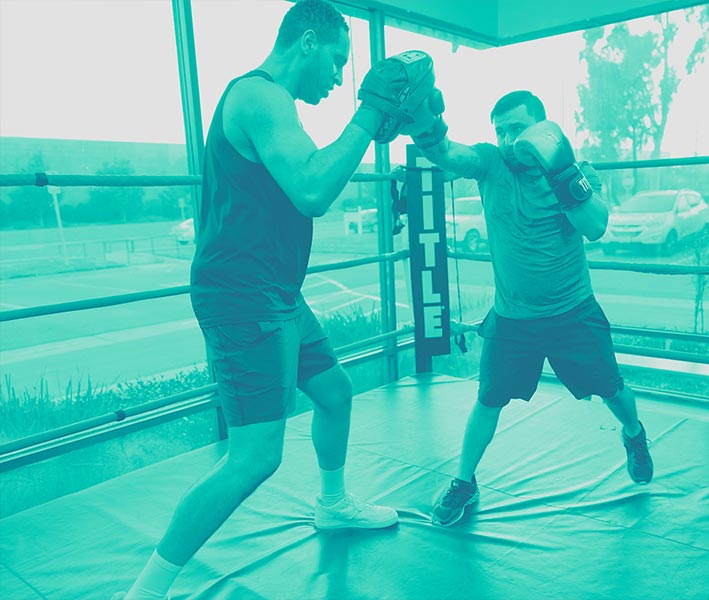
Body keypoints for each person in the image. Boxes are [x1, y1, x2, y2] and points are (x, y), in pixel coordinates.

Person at [115, 1, 436, 597]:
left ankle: (332, 505)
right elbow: (313, 188)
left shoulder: (275, 106)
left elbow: (308, 174)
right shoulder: (262, 97)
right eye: (337, 61)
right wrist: (369, 115)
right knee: (255, 457)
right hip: (243, 298)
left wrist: (369, 122)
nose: (341, 78)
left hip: (275, 293)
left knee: (335, 392)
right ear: (307, 43)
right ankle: (144, 590)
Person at [403, 89, 654, 527]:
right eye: (499, 130)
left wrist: (561, 174)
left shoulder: (575, 170)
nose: (506, 139)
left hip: (573, 311)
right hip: (513, 318)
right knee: (488, 399)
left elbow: (595, 226)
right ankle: (465, 481)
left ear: (541, 126)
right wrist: (426, 124)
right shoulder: (491, 162)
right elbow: (448, 154)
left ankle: (634, 435)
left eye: (516, 129)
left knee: (611, 389)